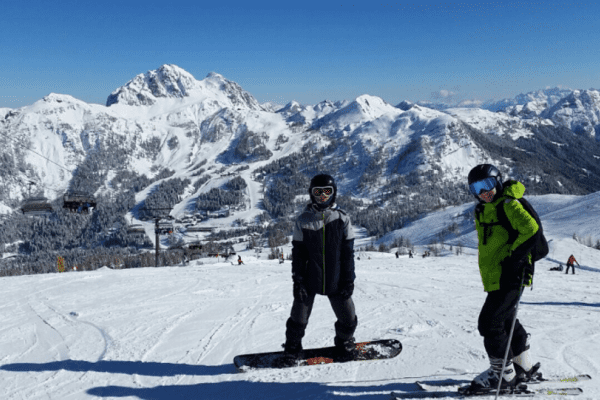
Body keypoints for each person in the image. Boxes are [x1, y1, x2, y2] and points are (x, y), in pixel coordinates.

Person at [465, 164, 541, 391]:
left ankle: (503, 376)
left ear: (497, 182)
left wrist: (514, 259)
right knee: (506, 319)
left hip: (510, 276)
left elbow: (531, 229)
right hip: (497, 277)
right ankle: (522, 366)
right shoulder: (487, 208)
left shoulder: (508, 204)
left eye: (487, 185)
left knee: (490, 323)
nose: (484, 192)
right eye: (477, 188)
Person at [282, 173, 357, 365]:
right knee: (298, 318)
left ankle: (344, 341)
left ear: (334, 193)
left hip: (336, 278)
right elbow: (298, 255)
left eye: (327, 191)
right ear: (311, 193)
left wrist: (348, 280)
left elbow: (348, 255)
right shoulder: (303, 220)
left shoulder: (342, 219)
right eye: (318, 192)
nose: (322, 195)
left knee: (348, 319)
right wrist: (298, 281)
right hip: (310, 279)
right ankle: (292, 347)